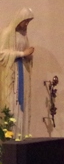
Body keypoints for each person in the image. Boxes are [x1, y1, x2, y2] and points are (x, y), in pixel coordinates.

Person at [0, 8, 35, 138]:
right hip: (12, 75)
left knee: (23, 106)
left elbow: (26, 54)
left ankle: (22, 135)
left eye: (28, 22)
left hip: (23, 73)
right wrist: (21, 53)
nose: (26, 24)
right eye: (25, 21)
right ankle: (11, 136)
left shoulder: (24, 36)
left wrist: (29, 54)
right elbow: (1, 54)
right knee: (12, 104)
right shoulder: (8, 33)